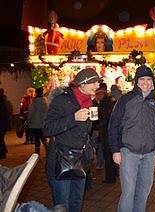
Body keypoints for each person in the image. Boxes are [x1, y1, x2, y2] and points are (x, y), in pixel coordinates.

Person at [43, 68, 100, 212]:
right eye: (93, 82)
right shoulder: (62, 100)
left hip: (80, 161)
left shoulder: (89, 102)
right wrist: (74, 118)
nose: (97, 86)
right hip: (62, 160)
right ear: (82, 84)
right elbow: (48, 128)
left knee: (76, 203)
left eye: (97, 82)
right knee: (63, 205)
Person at [108, 65, 155, 212]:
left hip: (149, 154)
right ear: (136, 82)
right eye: (142, 79)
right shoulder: (126, 99)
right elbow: (113, 125)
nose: (146, 82)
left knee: (144, 191)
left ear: (152, 82)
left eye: (149, 79)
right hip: (128, 152)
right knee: (128, 193)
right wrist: (115, 150)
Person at [27, 87, 48, 155]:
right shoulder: (45, 100)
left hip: (35, 123)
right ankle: (47, 150)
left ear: (36, 93)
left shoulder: (34, 101)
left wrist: (28, 120)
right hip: (43, 122)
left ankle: (37, 153)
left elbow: (31, 112)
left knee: (37, 138)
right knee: (42, 137)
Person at [0, 88, 11, 159]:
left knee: (0, 138)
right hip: (4, 123)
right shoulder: (5, 101)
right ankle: (3, 152)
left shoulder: (1, 101)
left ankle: (2, 153)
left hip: (1, 123)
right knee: (1, 138)